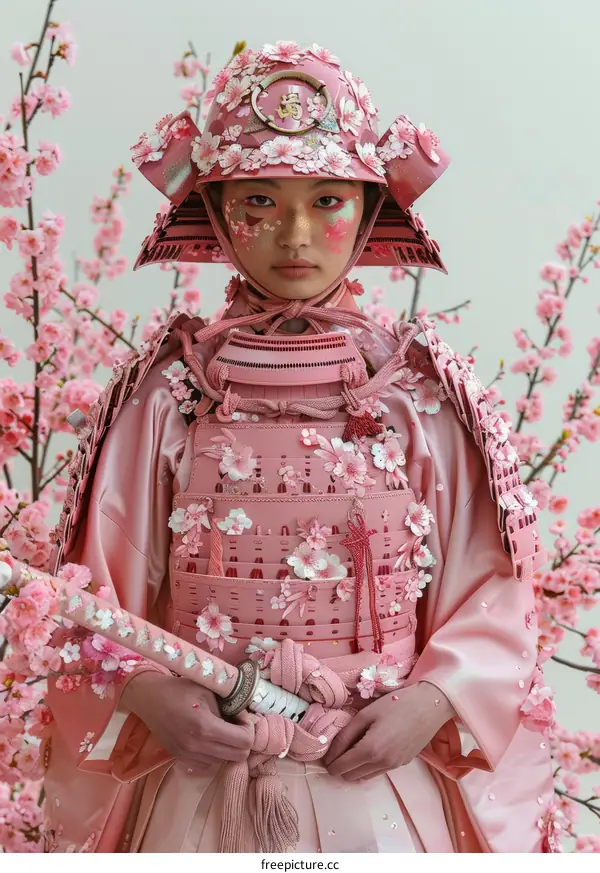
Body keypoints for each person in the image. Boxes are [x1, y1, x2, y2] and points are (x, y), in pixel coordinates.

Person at [41, 42, 557, 853]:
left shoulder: (422, 393)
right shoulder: (167, 391)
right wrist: (147, 693)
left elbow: (494, 588)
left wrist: (432, 702)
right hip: (207, 769)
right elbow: (90, 591)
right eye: (259, 199)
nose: (294, 233)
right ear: (213, 212)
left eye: (326, 200)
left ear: (370, 205)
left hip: (382, 767)